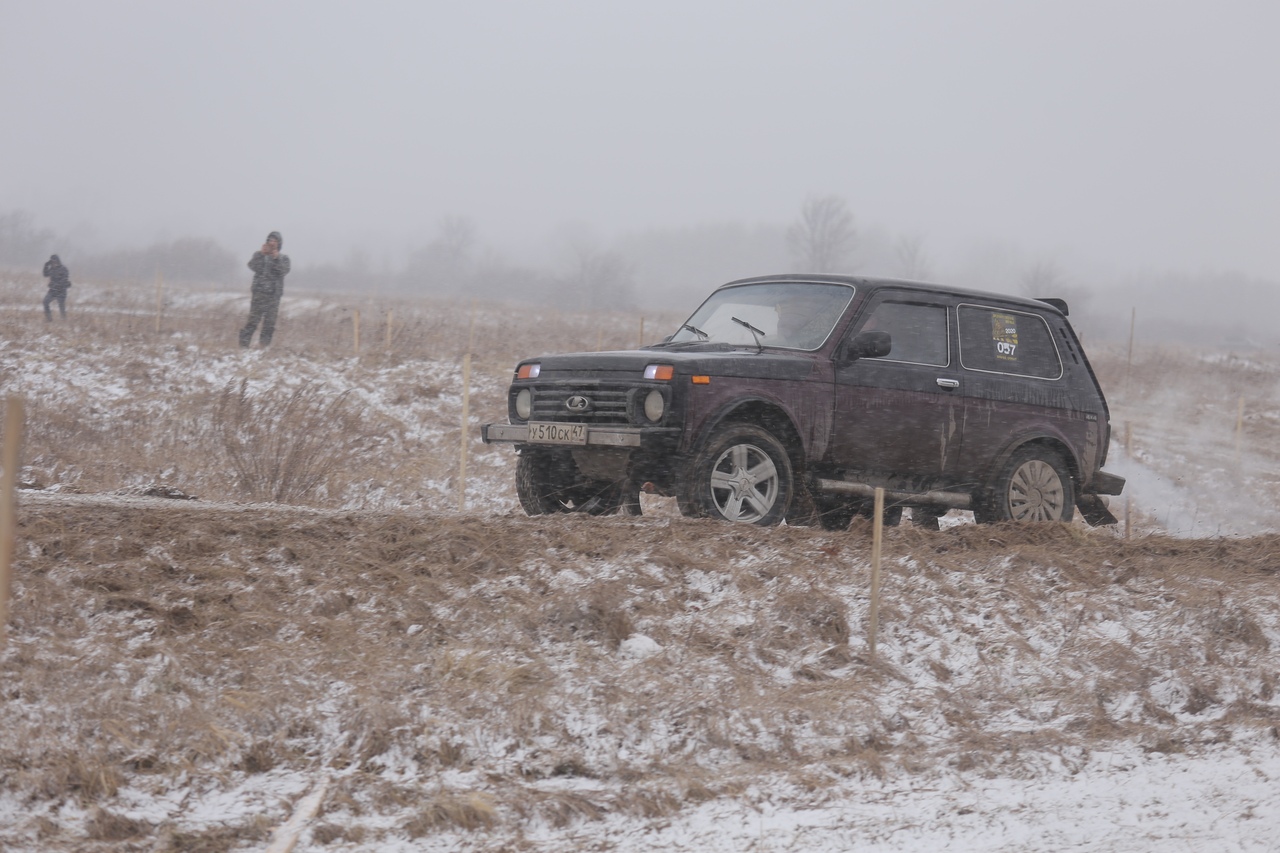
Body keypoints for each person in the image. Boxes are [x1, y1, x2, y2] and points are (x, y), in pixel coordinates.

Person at [239, 231, 291, 348]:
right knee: (253, 321)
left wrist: (276, 258)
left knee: (269, 323)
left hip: (274, 296)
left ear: (279, 244)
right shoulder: (259, 255)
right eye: (270, 240)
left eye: (274, 241)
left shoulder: (284, 258)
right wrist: (262, 255)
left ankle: (263, 347)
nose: (272, 243)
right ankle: (243, 345)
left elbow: (283, 271)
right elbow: (253, 266)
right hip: (259, 294)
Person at [41, 254, 72, 321]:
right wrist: (46, 265)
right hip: (52, 291)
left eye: (54, 261)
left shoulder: (63, 269)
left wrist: (56, 285)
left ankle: (64, 321)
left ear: (58, 261)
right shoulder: (52, 269)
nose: (53, 263)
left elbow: (64, 280)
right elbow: (45, 274)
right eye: (52, 262)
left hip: (61, 291)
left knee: (61, 306)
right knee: (45, 302)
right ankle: (49, 319)